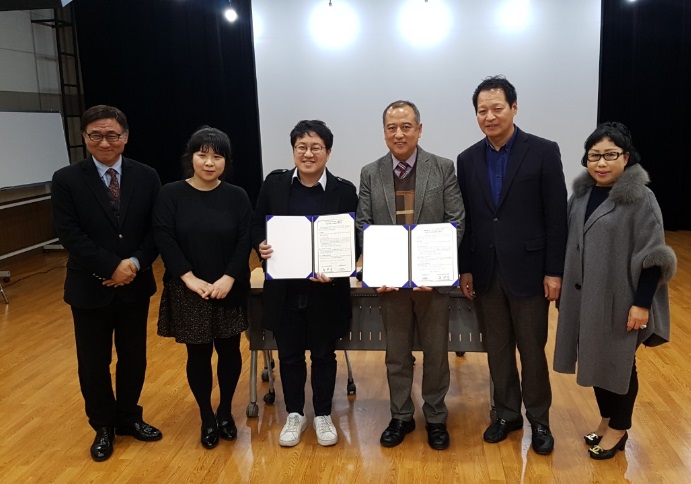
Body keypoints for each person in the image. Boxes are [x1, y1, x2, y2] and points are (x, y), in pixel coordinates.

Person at [456, 76, 567, 455]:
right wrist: (466, 267)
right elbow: (467, 219)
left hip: (531, 272)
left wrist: (555, 271)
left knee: (532, 350)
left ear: (514, 108)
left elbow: (556, 218)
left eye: (497, 108)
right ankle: (506, 413)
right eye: (482, 110)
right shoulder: (467, 158)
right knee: (498, 349)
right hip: (486, 271)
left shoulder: (543, 151)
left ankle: (539, 419)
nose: (489, 116)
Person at [553, 122, 676, 460]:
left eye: (610, 155)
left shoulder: (641, 198)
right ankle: (607, 420)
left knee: (619, 363)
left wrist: (641, 304)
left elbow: (654, 256)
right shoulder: (580, 194)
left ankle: (619, 429)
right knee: (594, 358)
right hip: (584, 297)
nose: (601, 163)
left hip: (622, 299)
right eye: (594, 156)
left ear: (626, 158)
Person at [51, 105, 162, 462]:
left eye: (112, 134)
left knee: (134, 358)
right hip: (89, 287)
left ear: (125, 138)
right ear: (84, 139)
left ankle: (129, 417)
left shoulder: (147, 176)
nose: (105, 141)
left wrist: (132, 263)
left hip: (134, 283)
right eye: (95, 135)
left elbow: (155, 231)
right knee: (93, 363)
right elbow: (69, 234)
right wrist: (110, 266)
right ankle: (102, 425)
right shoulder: (67, 179)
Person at [355, 100, 464, 450]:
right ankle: (401, 415)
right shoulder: (371, 172)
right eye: (391, 127)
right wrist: (376, 268)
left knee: (436, 352)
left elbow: (456, 221)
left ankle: (435, 417)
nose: (398, 133)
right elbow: (364, 224)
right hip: (391, 284)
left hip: (433, 284)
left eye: (406, 126)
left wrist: (438, 267)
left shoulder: (443, 167)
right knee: (396, 354)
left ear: (419, 128)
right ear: (384, 132)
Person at [251, 120, 358, 448]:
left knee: (325, 355)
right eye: (302, 147)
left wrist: (339, 266)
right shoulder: (275, 185)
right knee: (290, 356)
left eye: (316, 148)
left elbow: (354, 239)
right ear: (293, 150)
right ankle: (295, 414)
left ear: (328, 151)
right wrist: (262, 246)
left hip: (326, 291)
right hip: (285, 291)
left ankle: (323, 414)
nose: (308, 154)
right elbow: (257, 226)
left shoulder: (344, 190)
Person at [154, 126, 252, 450]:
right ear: (191, 157)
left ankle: (225, 411)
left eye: (217, 156)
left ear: (226, 161)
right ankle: (206, 416)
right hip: (188, 289)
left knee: (229, 351)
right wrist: (189, 278)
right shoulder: (171, 193)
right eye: (202, 154)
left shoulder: (237, 195)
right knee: (197, 354)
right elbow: (164, 238)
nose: (209, 162)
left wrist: (229, 278)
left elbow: (244, 240)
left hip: (228, 287)